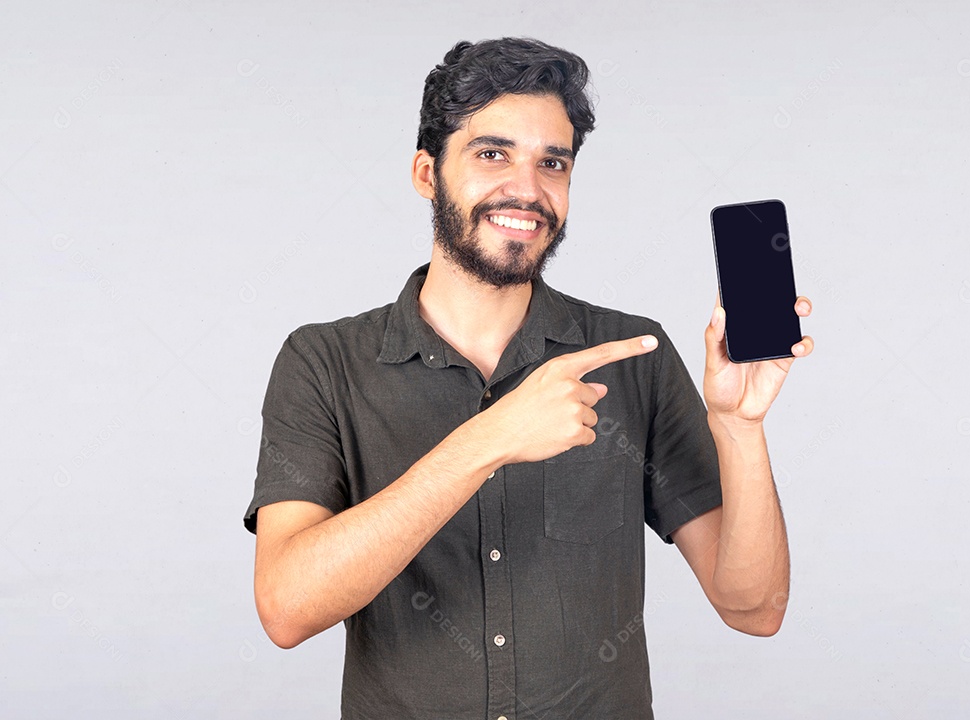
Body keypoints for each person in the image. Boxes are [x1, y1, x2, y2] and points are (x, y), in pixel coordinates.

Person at [244, 37, 814, 719]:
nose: (528, 189)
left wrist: (739, 426)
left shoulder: (631, 354)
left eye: (553, 163)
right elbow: (286, 608)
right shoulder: (323, 362)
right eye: (493, 154)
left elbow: (755, 608)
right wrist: (488, 440)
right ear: (427, 173)